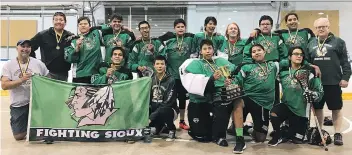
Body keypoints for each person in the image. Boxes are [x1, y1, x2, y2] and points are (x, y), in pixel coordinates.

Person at [179, 39, 236, 147]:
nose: (208, 51)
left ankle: (220, 136)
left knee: (223, 105)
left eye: (210, 48)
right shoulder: (195, 63)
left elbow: (233, 71)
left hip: (220, 94)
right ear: (200, 51)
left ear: (213, 50)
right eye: (205, 49)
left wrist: (230, 79)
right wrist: (211, 79)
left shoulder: (220, 61)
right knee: (202, 137)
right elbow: (193, 81)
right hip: (202, 98)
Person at [307, 17, 351, 146]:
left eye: (323, 26)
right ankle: (319, 131)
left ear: (328, 27)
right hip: (316, 83)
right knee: (318, 108)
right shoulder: (311, 43)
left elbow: (345, 62)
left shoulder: (338, 42)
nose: (320, 29)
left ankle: (337, 133)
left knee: (336, 108)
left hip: (333, 82)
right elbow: (307, 62)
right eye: (318, 27)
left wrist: (345, 77)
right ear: (315, 29)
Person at [269, 46, 324, 146]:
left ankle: (293, 131)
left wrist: (314, 95)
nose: (299, 56)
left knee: (296, 140)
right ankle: (279, 134)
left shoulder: (309, 73)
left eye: (301, 55)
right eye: (296, 54)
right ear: (290, 57)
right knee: (273, 113)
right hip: (287, 106)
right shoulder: (283, 73)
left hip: (301, 112)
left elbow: (319, 92)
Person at [232, 44, 279, 153]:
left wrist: (311, 66)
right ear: (251, 55)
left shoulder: (274, 65)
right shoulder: (246, 67)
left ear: (264, 52)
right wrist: (231, 83)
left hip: (263, 103)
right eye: (254, 51)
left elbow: (293, 62)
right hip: (247, 98)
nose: (257, 52)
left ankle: (248, 128)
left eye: (259, 50)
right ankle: (240, 139)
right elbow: (236, 82)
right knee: (237, 102)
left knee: (260, 138)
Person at [1, 39, 49, 140]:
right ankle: (27, 124)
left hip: (36, 104)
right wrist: (21, 80)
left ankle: (34, 124)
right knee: (18, 136)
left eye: (28, 47)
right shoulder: (8, 65)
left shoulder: (39, 64)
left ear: (30, 49)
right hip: (18, 103)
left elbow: (48, 81)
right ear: (17, 48)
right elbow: (4, 86)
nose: (25, 49)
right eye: (22, 46)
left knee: (41, 133)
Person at [158, 18, 194, 130]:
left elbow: (202, 38)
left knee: (183, 100)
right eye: (178, 27)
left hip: (184, 76)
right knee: (170, 100)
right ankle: (168, 122)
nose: (180, 28)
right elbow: (161, 52)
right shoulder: (169, 41)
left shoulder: (190, 38)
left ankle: (182, 121)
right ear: (174, 28)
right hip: (171, 76)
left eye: (182, 26)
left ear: (185, 28)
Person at [30, 12, 74, 81]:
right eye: (56, 20)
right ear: (53, 21)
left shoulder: (70, 36)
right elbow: (30, 47)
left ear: (65, 22)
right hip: (47, 72)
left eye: (61, 20)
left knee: (62, 92)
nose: (58, 22)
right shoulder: (43, 35)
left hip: (64, 74)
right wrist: (36, 63)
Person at [64, 17, 104, 84]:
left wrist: (124, 28)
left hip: (96, 74)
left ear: (90, 25)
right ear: (78, 26)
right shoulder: (73, 40)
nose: (83, 25)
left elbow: (110, 27)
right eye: (80, 24)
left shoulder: (96, 34)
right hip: (80, 75)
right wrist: (76, 48)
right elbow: (69, 59)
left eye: (85, 23)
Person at [149, 55, 179, 141]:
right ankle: (158, 126)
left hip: (170, 110)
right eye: (157, 64)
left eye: (162, 64)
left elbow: (168, 102)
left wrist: (151, 117)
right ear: (153, 65)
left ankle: (171, 129)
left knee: (164, 110)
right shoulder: (151, 79)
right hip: (155, 109)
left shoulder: (171, 80)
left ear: (165, 65)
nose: (159, 66)